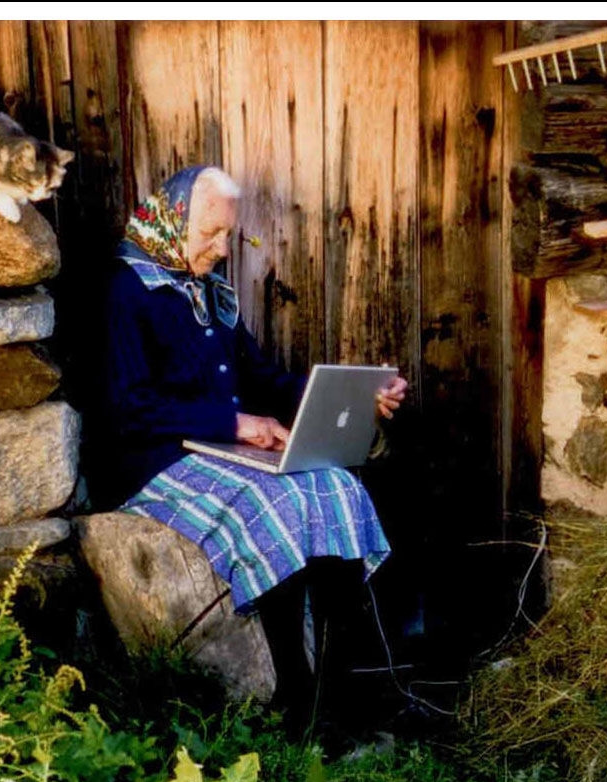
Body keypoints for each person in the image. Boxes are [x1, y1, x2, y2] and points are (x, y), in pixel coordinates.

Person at [94, 165, 407, 728]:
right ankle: (295, 690)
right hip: (156, 460)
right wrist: (235, 424)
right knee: (276, 503)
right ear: (169, 222)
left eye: (225, 236)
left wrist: (358, 397)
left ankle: (340, 686)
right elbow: (127, 407)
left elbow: (264, 379)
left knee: (334, 486)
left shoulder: (211, 292)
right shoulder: (128, 290)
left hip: (218, 451)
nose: (218, 249)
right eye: (207, 235)